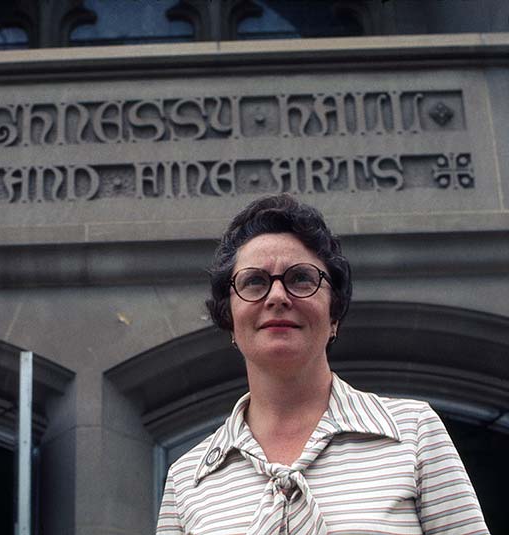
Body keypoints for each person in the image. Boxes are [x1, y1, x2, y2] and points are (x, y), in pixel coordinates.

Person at [156, 194, 490, 535]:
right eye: (254, 281)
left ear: (334, 315)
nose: (276, 297)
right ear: (230, 319)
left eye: (301, 278)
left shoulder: (414, 434)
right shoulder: (187, 478)